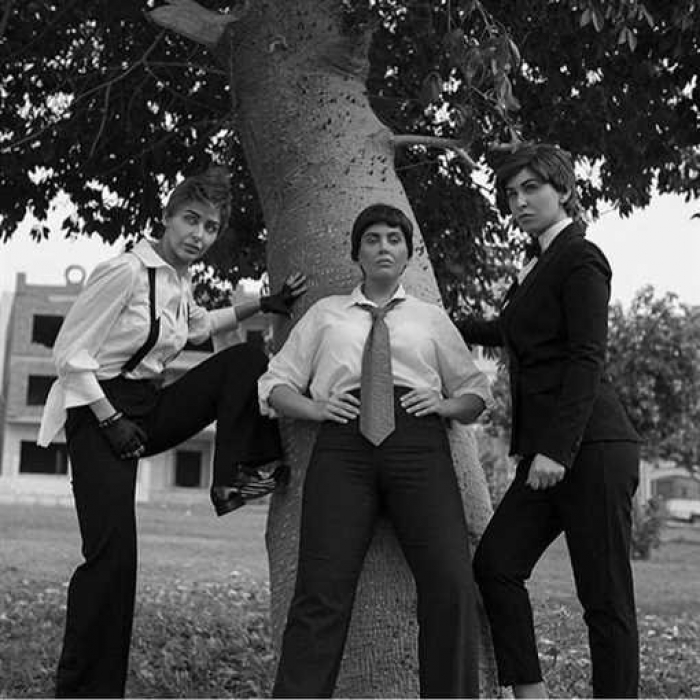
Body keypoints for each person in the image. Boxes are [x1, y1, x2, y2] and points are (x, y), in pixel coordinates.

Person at [37, 165, 306, 698]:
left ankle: (239, 479)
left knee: (243, 362)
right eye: (191, 220)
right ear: (167, 217)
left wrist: (262, 304)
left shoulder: (178, 281)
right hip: (96, 414)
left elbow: (198, 326)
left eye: (210, 227)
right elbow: (68, 356)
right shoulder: (125, 272)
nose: (198, 235)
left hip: (146, 406)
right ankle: (83, 691)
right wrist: (109, 420)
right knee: (112, 560)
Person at [258, 203, 493, 698]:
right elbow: (274, 384)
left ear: (407, 253)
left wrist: (446, 404)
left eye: (393, 239)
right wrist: (315, 407)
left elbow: (476, 392)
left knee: (451, 583)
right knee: (320, 590)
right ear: (357, 254)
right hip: (342, 445)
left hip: (419, 444)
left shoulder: (431, 319)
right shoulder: (326, 314)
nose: (384, 247)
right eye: (372, 239)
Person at [457, 143, 641, 698]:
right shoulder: (538, 262)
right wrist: (441, 319)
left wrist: (557, 449)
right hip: (546, 452)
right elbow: (510, 331)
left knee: (604, 599)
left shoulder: (581, 257)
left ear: (563, 190)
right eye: (511, 193)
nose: (519, 201)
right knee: (496, 564)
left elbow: (587, 357)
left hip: (591, 448)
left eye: (531, 188)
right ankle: (530, 693)